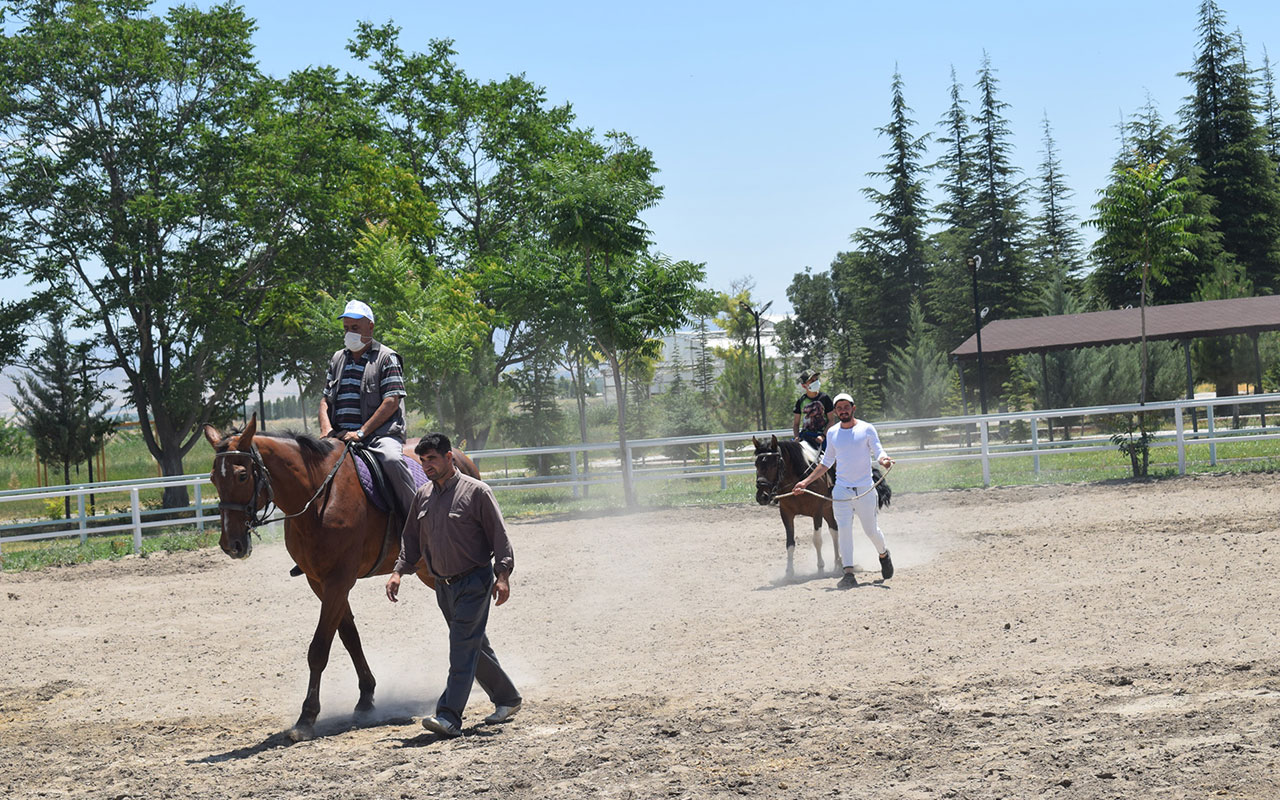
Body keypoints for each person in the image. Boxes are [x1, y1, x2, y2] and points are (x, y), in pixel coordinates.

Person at [385, 432, 522, 738]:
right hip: (443, 586)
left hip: (475, 580)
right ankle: (508, 698)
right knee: (473, 646)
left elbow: (500, 538)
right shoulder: (423, 495)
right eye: (423, 460)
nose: (427, 465)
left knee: (460, 648)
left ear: (449, 457)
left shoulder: (477, 492)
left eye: (432, 459)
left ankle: (448, 716)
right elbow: (410, 541)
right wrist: (398, 572)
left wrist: (502, 577)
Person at [317, 300, 416, 519]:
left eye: (355, 328)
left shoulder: (386, 357)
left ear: (370, 327)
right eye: (346, 329)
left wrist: (362, 432)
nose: (349, 333)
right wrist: (326, 430)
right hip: (341, 435)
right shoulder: (337, 359)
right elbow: (325, 400)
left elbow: (391, 401)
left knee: (391, 460)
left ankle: (418, 521)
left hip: (379, 436)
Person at [791, 392, 894, 589]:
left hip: (864, 488)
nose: (843, 411)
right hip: (842, 491)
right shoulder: (833, 433)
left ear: (853, 408)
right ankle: (848, 573)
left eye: (846, 407)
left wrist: (884, 460)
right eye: (839, 408)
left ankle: (883, 554)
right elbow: (826, 462)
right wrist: (805, 482)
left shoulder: (867, 429)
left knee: (871, 530)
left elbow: (878, 450)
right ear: (836, 412)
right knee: (844, 530)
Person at [792, 370, 834, 451]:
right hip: (805, 436)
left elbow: (831, 421)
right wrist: (797, 437)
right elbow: (796, 424)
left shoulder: (825, 398)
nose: (815, 382)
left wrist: (823, 436)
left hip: (823, 438)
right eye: (811, 380)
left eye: (816, 379)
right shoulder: (801, 401)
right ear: (804, 385)